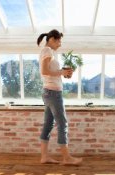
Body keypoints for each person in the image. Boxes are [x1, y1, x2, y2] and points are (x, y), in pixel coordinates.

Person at [37, 29, 83, 165]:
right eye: (59, 41)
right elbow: (45, 71)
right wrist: (62, 72)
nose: (60, 44)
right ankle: (67, 158)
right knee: (63, 124)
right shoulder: (48, 51)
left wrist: (63, 73)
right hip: (53, 93)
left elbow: (50, 71)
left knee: (48, 125)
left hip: (48, 92)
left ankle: (44, 157)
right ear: (52, 39)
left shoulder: (46, 52)